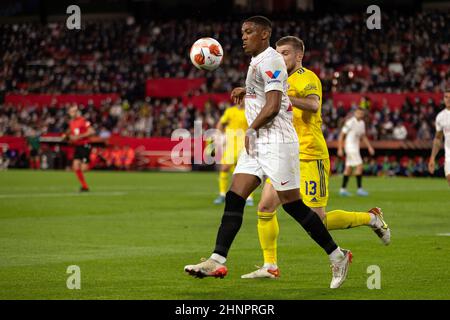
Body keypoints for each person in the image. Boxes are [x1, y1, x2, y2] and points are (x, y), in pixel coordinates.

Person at [185, 16, 352, 289]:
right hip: (259, 143)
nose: (243, 37)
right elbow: (267, 95)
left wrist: (250, 130)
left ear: (264, 35)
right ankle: (217, 259)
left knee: (293, 206)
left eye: (249, 32)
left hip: (277, 142)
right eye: (242, 32)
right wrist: (247, 92)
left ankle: (338, 255)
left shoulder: (272, 60)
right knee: (235, 196)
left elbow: (274, 105)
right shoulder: (257, 61)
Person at [241, 36, 390, 279]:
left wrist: (287, 98)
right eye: (277, 53)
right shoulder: (276, 78)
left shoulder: (307, 77)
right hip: (285, 154)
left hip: (310, 155)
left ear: (299, 55)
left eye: (286, 53)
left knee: (318, 220)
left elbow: (312, 105)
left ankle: (372, 218)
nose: (280, 58)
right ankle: (270, 266)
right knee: (265, 207)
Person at [213, 100, 254, 206]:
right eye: (239, 99)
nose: (240, 101)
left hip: (244, 144)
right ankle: (222, 194)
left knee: (245, 172)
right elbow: (221, 124)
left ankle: (249, 197)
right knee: (224, 168)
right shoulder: (230, 111)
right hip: (231, 144)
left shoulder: (249, 112)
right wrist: (219, 136)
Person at [338, 106, 375, 196]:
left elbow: (363, 136)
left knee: (348, 168)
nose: (359, 114)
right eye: (358, 113)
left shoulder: (362, 123)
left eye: (361, 113)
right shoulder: (350, 122)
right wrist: (340, 148)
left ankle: (343, 190)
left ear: (363, 115)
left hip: (355, 147)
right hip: (350, 147)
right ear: (355, 113)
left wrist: (369, 147)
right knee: (359, 165)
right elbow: (341, 135)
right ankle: (359, 189)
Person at [64, 105, 95, 191]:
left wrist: (79, 137)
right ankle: (85, 186)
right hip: (78, 146)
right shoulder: (72, 123)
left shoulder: (83, 120)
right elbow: (69, 132)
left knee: (84, 168)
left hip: (85, 145)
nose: (70, 113)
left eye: (72, 111)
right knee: (75, 166)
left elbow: (92, 131)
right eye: (70, 112)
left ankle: (96, 166)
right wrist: (66, 136)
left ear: (76, 112)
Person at [428, 89, 450, 186]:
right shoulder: (440, 117)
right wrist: (432, 158)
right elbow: (438, 139)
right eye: (446, 97)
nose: (448, 99)